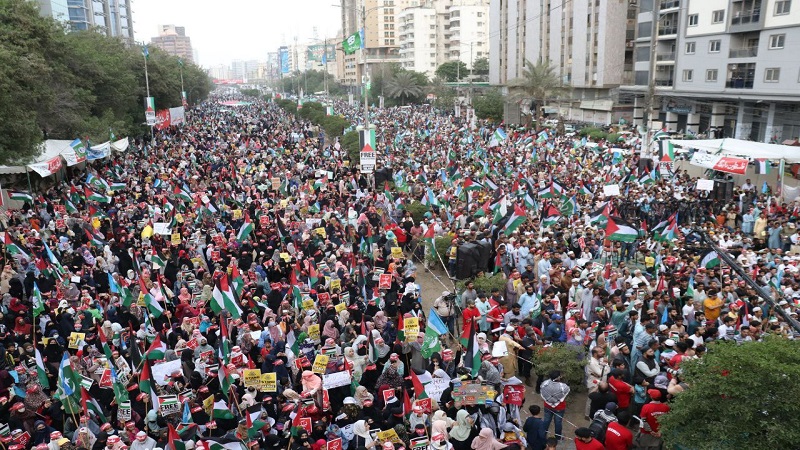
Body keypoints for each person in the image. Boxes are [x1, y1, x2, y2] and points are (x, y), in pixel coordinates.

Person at [540, 370, 570, 440]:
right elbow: (567, 391)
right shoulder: (563, 386)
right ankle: (558, 437)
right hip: (559, 407)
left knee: (546, 420)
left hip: (547, 406)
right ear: (558, 377)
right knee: (558, 422)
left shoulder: (544, 384)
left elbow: (542, 392)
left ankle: (543, 435)